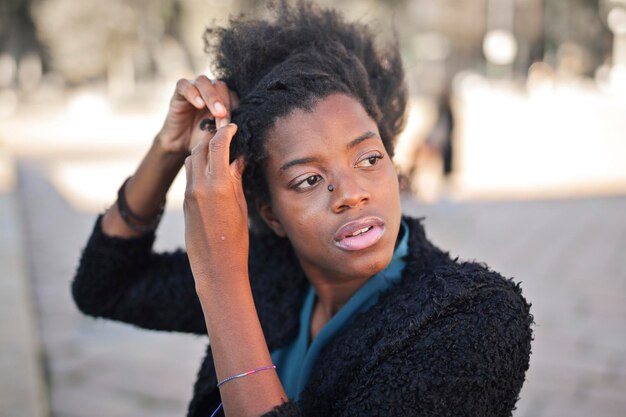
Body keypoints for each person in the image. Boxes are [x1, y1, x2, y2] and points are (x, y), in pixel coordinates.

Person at [72, 2, 533, 416]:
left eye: (369, 158)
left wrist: (221, 280)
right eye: (309, 179)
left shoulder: (472, 317)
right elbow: (104, 287)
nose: (350, 193)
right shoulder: (270, 274)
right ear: (270, 214)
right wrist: (167, 149)